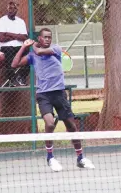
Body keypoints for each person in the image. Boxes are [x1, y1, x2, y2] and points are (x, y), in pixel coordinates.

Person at [12, 28, 95, 172]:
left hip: (59, 94)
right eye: (45, 37)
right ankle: (50, 157)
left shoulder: (55, 49)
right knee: (50, 123)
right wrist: (23, 46)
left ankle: (80, 158)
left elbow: (39, 51)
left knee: (71, 126)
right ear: (40, 38)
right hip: (43, 95)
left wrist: (32, 45)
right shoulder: (32, 55)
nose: (48, 40)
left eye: (49, 37)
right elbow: (14, 64)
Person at [0, 2, 29, 86]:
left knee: (30, 55)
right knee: (8, 55)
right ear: (7, 9)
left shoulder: (21, 21)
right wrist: (17, 36)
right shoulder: (2, 21)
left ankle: (21, 76)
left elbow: (25, 37)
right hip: (6, 46)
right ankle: (12, 78)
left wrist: (9, 33)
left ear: (17, 10)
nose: (11, 10)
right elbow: (2, 38)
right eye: (10, 8)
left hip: (19, 46)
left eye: (14, 8)